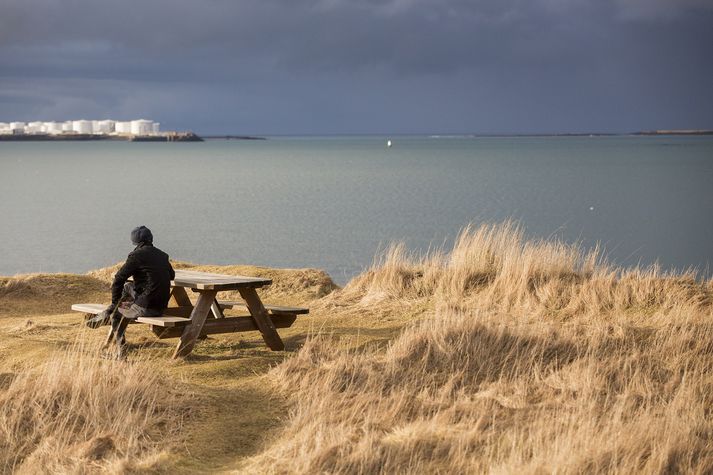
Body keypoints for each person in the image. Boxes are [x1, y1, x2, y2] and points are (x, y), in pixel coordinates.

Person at [86, 226, 175, 356]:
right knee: (129, 287)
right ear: (151, 239)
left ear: (135, 242)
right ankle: (112, 308)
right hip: (161, 306)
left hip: (147, 308)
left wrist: (115, 301)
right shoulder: (163, 255)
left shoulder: (136, 255)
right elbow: (171, 276)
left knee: (116, 316)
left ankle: (121, 353)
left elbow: (118, 278)